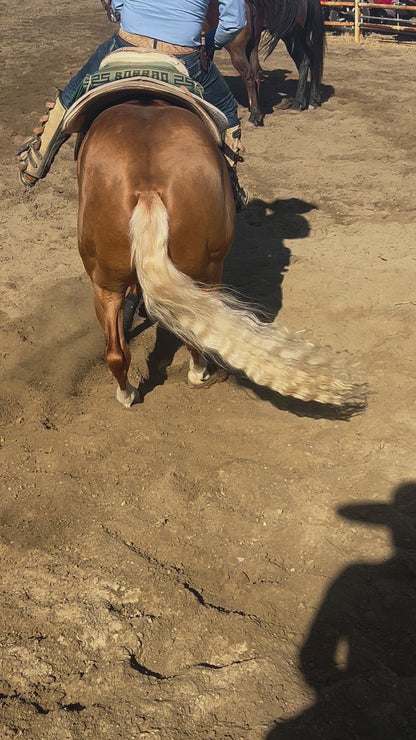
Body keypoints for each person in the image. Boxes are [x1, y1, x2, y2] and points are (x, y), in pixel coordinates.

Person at [17, 0, 248, 211]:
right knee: (227, 109)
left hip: (127, 44)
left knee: (70, 97)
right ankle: (230, 186)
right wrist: (208, 44)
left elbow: (117, 7)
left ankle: (35, 164)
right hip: (184, 56)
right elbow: (234, 22)